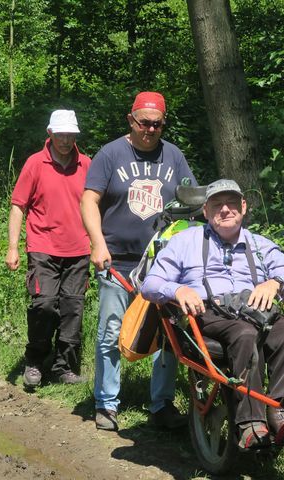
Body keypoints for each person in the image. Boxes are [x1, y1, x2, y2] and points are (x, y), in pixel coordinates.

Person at [141, 179, 284, 449]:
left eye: (232, 203)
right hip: (209, 313)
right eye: (217, 204)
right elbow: (150, 284)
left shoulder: (260, 245)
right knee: (245, 335)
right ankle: (249, 422)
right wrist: (178, 290)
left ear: (244, 207)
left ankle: (279, 409)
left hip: (256, 311)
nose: (225, 209)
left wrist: (275, 283)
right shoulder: (184, 242)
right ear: (205, 211)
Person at [81, 91, 196, 431]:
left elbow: (191, 201)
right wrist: (97, 244)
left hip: (163, 265)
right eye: (143, 122)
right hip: (117, 260)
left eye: (156, 124)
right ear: (131, 120)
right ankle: (106, 403)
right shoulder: (110, 154)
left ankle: (161, 404)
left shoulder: (173, 156)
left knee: (167, 335)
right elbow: (89, 200)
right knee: (111, 331)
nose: (150, 129)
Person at [5, 109, 91, 387]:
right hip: (43, 247)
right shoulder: (35, 163)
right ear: (50, 133)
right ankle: (34, 360)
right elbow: (19, 206)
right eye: (61, 134)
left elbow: (98, 206)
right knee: (43, 305)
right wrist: (13, 247)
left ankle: (64, 366)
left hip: (79, 249)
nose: (66, 140)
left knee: (72, 308)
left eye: (70, 135)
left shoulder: (86, 165)